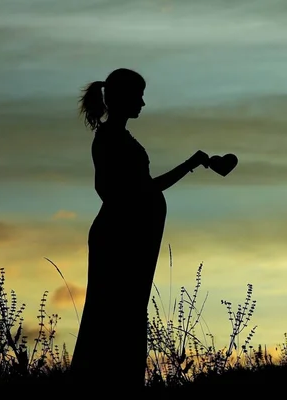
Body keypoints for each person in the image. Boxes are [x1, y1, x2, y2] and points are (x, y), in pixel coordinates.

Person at [71, 68, 209, 388]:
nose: (143, 103)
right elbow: (112, 190)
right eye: (139, 95)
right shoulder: (109, 139)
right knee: (116, 314)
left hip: (131, 237)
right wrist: (187, 166)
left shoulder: (120, 138)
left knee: (127, 313)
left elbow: (145, 189)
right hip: (119, 239)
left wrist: (189, 165)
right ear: (123, 98)